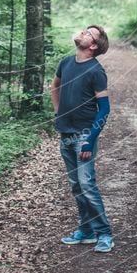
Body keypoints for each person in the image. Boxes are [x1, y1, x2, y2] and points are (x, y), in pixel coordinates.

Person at [51, 24, 114, 253]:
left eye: (89, 33)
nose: (83, 33)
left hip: (84, 136)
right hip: (65, 134)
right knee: (77, 185)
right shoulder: (66, 62)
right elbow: (54, 87)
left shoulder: (96, 71)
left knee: (87, 185)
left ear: (94, 46)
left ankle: (105, 234)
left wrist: (90, 139)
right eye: (85, 30)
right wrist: (59, 112)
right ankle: (86, 231)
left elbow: (104, 108)